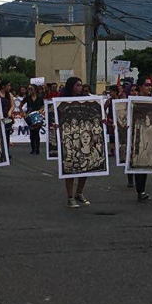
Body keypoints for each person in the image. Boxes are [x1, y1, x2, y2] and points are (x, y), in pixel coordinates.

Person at [57, 77, 91, 208]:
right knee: (70, 167)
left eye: (81, 85)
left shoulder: (85, 100)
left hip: (82, 137)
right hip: (69, 138)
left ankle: (79, 193)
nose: (80, 88)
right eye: (77, 85)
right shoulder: (62, 101)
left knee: (85, 167)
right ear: (71, 86)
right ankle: (70, 196)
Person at [132, 77, 152, 202]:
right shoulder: (134, 101)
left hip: (148, 136)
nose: (149, 87)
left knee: (145, 164)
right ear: (140, 87)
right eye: (146, 85)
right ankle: (139, 190)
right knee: (138, 163)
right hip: (137, 135)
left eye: (150, 85)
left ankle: (141, 190)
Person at [19, 84, 44, 154]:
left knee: (37, 132)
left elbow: (43, 106)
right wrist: (23, 113)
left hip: (37, 116)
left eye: (31, 89)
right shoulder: (27, 98)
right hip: (29, 116)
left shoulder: (39, 98)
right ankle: (33, 148)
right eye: (29, 89)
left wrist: (40, 111)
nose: (29, 90)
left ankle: (37, 148)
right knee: (32, 132)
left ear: (35, 90)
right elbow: (20, 105)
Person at [0, 80, 15, 154]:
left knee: (7, 135)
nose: (9, 87)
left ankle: (6, 152)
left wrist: (10, 112)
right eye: (8, 85)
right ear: (3, 86)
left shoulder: (10, 95)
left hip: (6, 117)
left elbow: (12, 105)